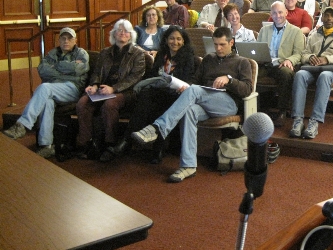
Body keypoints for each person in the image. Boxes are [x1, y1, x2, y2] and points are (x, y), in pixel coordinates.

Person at [131, 27, 253, 183]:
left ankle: (158, 128)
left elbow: (247, 90)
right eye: (215, 44)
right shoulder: (209, 59)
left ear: (231, 42)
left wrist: (230, 80)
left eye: (222, 44)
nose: (218, 48)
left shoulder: (242, 62)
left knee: (194, 91)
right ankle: (188, 165)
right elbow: (195, 82)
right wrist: (185, 87)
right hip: (205, 100)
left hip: (227, 104)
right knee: (190, 110)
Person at [100, 26, 195, 163]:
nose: (175, 42)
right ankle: (129, 141)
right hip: (159, 90)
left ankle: (151, 147)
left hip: (176, 94)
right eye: (172, 38)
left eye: (179, 39)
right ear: (166, 40)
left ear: (184, 41)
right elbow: (152, 74)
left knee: (161, 104)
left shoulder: (188, 56)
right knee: (145, 97)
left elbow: (189, 78)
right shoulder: (162, 54)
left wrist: (181, 86)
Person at [2, 27, 89, 158]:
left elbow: (79, 69)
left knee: (44, 88)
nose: (66, 41)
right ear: (58, 40)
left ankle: (23, 125)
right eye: (63, 38)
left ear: (75, 40)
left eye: (70, 38)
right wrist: (68, 68)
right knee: (47, 102)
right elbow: (42, 69)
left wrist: (57, 67)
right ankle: (46, 145)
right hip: (54, 88)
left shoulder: (81, 53)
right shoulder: (53, 53)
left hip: (73, 88)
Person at [76, 19, 145, 160]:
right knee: (82, 103)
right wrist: (94, 85)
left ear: (131, 34)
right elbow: (96, 73)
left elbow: (134, 78)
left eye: (126, 31)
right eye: (119, 30)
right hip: (102, 90)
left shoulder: (138, 54)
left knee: (110, 105)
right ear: (113, 33)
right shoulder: (105, 52)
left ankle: (109, 144)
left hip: (125, 92)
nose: (122, 33)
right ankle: (86, 143)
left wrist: (113, 89)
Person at [290, 6, 333, 139]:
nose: (329, 19)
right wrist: (310, 57)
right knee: (300, 75)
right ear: (322, 17)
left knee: (325, 76)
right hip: (313, 69)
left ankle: (314, 121)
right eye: (326, 15)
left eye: (332, 16)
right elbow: (304, 54)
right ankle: (298, 120)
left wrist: (327, 59)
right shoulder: (314, 35)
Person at [258, 1, 305, 126]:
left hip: (282, 63)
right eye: (274, 13)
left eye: (280, 12)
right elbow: (258, 48)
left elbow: (299, 53)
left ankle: (282, 110)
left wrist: (290, 60)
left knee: (286, 73)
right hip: (266, 63)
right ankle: (259, 108)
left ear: (286, 12)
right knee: (252, 72)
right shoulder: (264, 30)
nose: (277, 15)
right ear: (270, 14)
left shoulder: (296, 31)